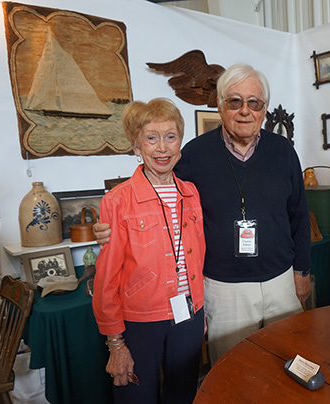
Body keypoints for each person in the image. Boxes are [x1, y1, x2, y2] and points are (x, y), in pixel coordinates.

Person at [95, 64, 311, 365]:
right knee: (234, 372)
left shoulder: (284, 150)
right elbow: (159, 195)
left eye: (254, 103)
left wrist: (302, 272)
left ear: (264, 109)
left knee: (289, 362)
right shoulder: (193, 155)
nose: (245, 111)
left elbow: (299, 214)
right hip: (224, 290)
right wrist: (110, 226)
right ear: (220, 106)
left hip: (281, 281)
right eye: (234, 101)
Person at [92, 98, 205, 404]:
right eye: (151, 138)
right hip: (141, 323)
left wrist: (201, 308)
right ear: (136, 146)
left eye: (170, 136)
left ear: (180, 143)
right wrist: (115, 343)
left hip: (189, 316)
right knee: (135, 397)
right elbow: (106, 278)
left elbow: (198, 255)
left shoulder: (191, 193)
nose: (162, 148)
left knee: (183, 395)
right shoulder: (117, 201)